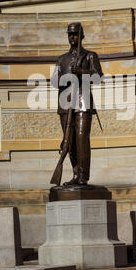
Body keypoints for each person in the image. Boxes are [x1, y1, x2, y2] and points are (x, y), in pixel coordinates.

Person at [51, 22, 103, 186]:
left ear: (81, 35)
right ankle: (75, 175)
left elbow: (98, 77)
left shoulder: (89, 56)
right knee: (70, 142)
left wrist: (82, 72)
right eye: (70, 34)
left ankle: (83, 176)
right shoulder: (62, 59)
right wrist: (68, 78)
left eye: (75, 34)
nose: (72, 37)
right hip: (65, 103)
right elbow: (54, 81)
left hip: (83, 102)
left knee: (81, 139)